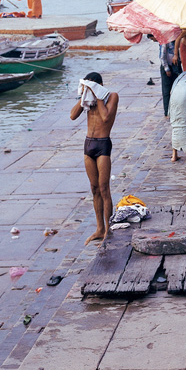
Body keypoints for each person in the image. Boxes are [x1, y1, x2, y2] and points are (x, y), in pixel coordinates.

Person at [69, 72, 119, 243]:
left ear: (99, 86)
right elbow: (72, 116)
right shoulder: (87, 101)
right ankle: (99, 229)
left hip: (103, 144)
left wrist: (98, 95)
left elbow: (105, 117)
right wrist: (84, 95)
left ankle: (108, 231)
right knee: (94, 188)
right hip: (88, 145)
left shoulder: (111, 97)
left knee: (104, 188)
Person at [158, 39, 179, 117]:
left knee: (176, 89)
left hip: (175, 65)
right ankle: (167, 111)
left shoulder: (175, 39)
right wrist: (167, 69)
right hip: (167, 66)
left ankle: (175, 110)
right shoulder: (165, 41)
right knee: (166, 91)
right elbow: (162, 56)